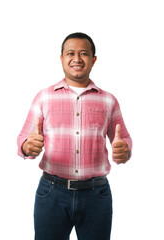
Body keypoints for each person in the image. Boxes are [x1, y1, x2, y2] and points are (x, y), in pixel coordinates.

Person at [17, 32, 132, 240]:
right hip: (51, 193)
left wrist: (124, 151)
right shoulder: (44, 97)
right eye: (70, 53)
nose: (77, 59)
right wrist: (27, 146)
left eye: (84, 54)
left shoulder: (108, 101)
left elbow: (123, 141)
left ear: (93, 60)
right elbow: (24, 140)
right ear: (61, 58)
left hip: (97, 195)